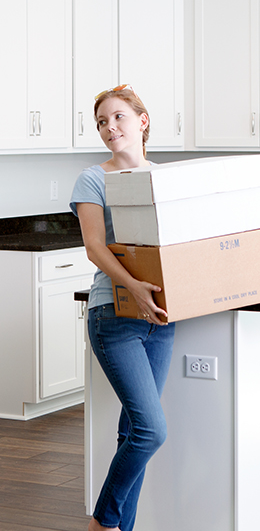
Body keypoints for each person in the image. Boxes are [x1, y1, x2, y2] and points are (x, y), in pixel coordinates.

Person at [70, 85, 176, 531]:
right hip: (114, 316)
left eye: (117, 118)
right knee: (152, 431)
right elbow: (95, 247)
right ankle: (103, 523)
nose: (109, 128)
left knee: (131, 433)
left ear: (142, 120)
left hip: (162, 319)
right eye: (101, 122)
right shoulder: (94, 179)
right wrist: (133, 287)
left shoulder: (166, 179)